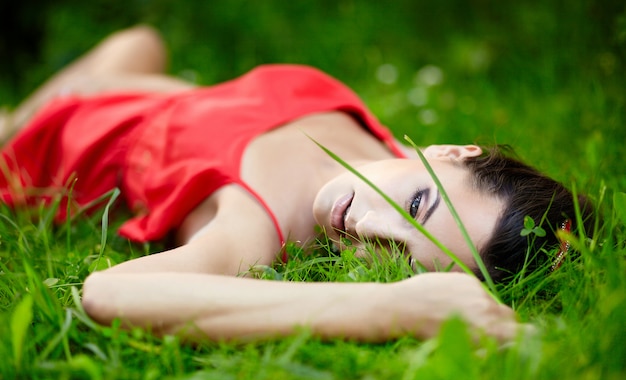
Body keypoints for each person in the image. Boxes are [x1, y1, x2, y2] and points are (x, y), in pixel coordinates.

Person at [0, 26, 591, 344]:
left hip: (66, 138)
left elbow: (109, 295)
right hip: (147, 90)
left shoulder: (260, 226)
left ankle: (20, 120)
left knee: (24, 122)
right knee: (141, 38)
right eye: (415, 205)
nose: (369, 227)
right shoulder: (375, 150)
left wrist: (389, 307)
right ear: (452, 153)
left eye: (400, 260)